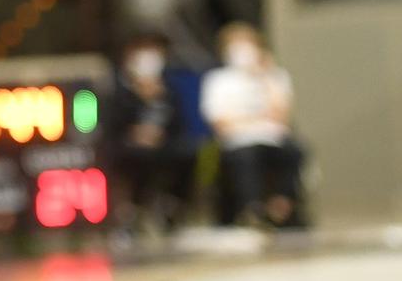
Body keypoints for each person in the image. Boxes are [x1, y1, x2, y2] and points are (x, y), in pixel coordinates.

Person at [200, 22, 304, 228]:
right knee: (247, 157)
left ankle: (281, 206)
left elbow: (281, 115)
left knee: (295, 152)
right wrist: (254, 121)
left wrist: (265, 77)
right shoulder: (218, 80)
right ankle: (252, 210)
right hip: (237, 141)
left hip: (272, 139)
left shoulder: (275, 76)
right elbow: (220, 122)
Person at [110, 29, 195, 233]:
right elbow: (112, 124)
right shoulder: (119, 88)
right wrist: (136, 130)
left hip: (163, 142)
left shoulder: (169, 88)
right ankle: (135, 210)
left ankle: (172, 206)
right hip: (129, 144)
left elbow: (179, 124)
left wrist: (160, 131)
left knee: (187, 153)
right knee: (139, 158)